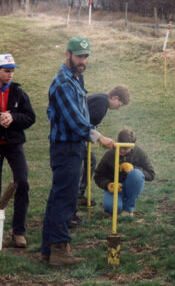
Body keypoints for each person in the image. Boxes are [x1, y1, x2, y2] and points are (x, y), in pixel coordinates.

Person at [41, 37, 115, 266]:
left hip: (72, 146)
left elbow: (79, 116)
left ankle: (48, 250)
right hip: (66, 148)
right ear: (67, 55)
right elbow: (76, 121)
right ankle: (60, 250)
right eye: (79, 56)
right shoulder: (63, 83)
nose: (83, 61)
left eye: (85, 57)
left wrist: (91, 132)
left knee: (58, 198)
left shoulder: (75, 79)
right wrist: (98, 136)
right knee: (65, 199)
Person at [0, 54, 35, 248]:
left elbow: (30, 117)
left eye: (12, 71)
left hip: (14, 145)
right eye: (6, 71)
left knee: (22, 181)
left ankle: (18, 231)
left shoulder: (19, 93)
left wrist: (13, 118)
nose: (10, 75)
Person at [77, 85, 130, 207]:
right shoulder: (101, 102)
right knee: (88, 161)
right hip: (75, 139)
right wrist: (101, 138)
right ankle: (77, 195)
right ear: (115, 97)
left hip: (80, 138)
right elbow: (87, 124)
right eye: (120, 105)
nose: (118, 109)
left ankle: (78, 194)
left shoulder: (101, 100)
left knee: (89, 161)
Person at [94, 128, 155, 216]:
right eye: (120, 147)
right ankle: (118, 202)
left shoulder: (139, 153)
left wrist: (133, 168)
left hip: (132, 185)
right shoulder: (110, 155)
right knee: (111, 208)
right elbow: (98, 176)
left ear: (132, 145)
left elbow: (151, 174)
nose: (122, 150)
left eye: (126, 149)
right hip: (116, 188)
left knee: (136, 174)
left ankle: (128, 208)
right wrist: (108, 184)